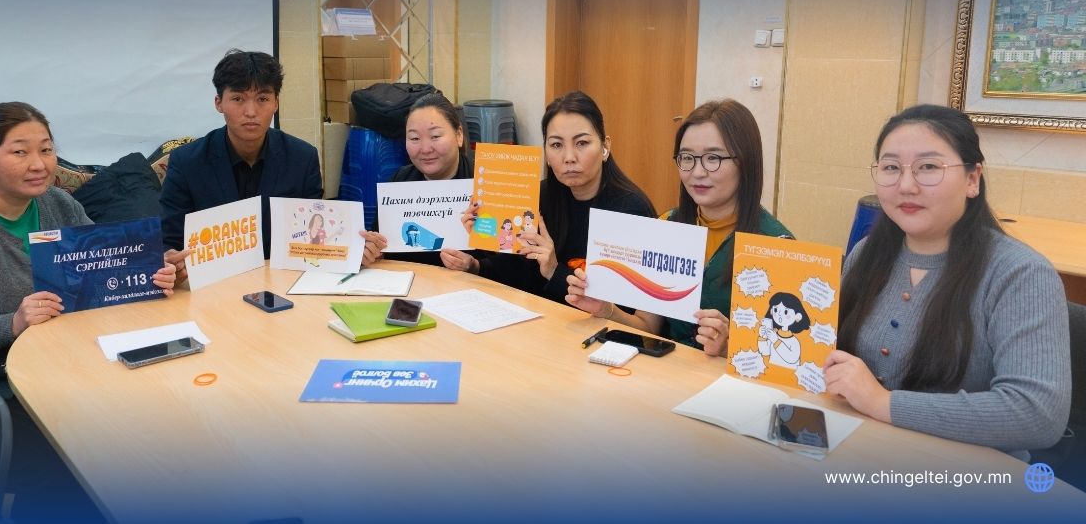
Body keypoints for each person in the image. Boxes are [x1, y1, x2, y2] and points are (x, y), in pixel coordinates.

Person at [0, 101, 178, 522]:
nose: (39, 164)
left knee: (155, 422)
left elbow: (99, 272)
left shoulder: (59, 205)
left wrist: (152, 270)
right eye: (20, 151)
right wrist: (11, 323)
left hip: (62, 369)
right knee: (87, 461)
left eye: (46, 149)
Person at [825, 104, 1069, 457]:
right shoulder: (866, 254)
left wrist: (883, 403)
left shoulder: (1020, 274)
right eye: (891, 167)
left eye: (928, 167)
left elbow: (1037, 414)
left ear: (972, 179)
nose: (906, 185)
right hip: (861, 452)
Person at [565, 98, 792, 353]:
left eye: (713, 158)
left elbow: (782, 355)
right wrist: (606, 309)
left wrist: (728, 348)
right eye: (687, 158)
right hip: (669, 370)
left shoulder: (777, 246)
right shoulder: (667, 225)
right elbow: (647, 327)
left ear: (745, 162)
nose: (697, 172)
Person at [453, 91, 655, 304]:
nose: (569, 157)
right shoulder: (540, 195)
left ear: (605, 146)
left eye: (582, 143)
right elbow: (524, 275)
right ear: (547, 154)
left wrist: (554, 270)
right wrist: (478, 260)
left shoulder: (631, 210)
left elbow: (622, 309)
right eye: (557, 145)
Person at [161, 49, 322, 272]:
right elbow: (170, 241)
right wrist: (168, 259)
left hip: (281, 282)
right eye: (238, 99)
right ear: (219, 103)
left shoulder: (302, 158)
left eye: (263, 99)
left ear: (276, 103)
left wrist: (353, 251)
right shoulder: (187, 162)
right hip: (214, 283)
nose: (251, 112)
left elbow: (314, 238)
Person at [360, 92, 476, 267]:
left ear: (459, 135)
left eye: (435, 136)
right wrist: (371, 252)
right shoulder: (398, 183)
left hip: (472, 284)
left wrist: (475, 266)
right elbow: (381, 251)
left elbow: (512, 269)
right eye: (414, 138)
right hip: (408, 282)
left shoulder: (486, 183)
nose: (425, 149)